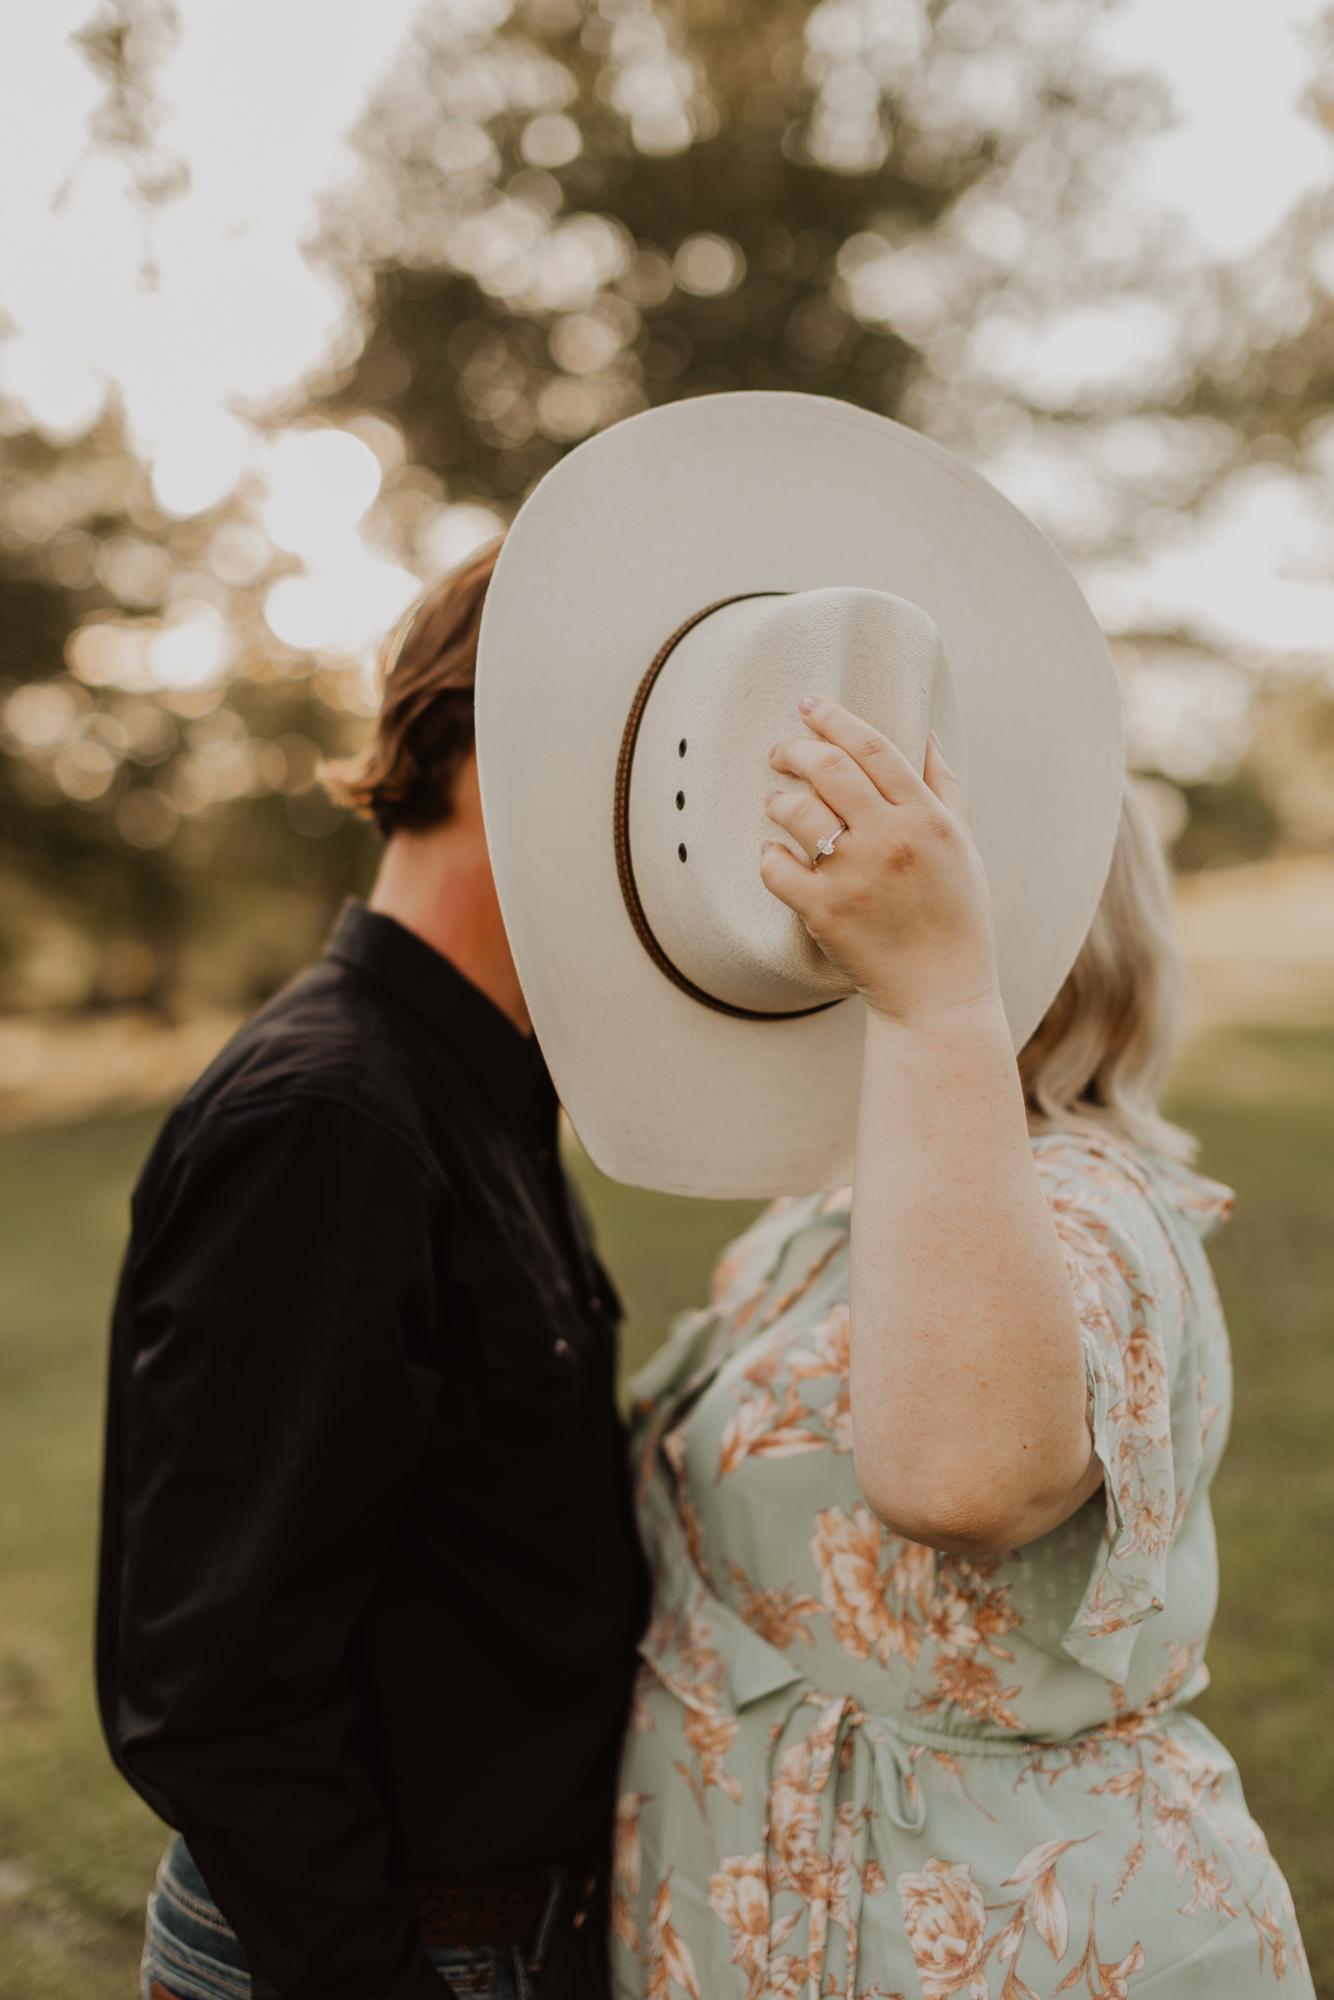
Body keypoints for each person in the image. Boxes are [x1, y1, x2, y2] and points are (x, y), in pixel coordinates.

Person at [607, 707, 1314, 1996]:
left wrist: (936, 994)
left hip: (1011, 1948)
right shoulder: (828, 1209)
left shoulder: (1089, 1200)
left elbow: (966, 1480)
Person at [95, 536, 650, 2000]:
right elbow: (213, 1689)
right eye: (643, 745)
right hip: (389, 1953)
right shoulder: (331, 1121)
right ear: (483, 739)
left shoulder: (475, 1084)